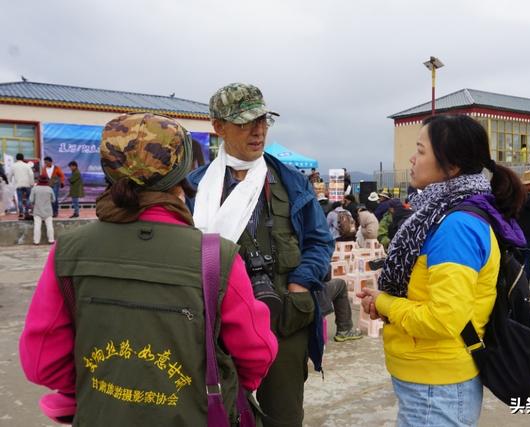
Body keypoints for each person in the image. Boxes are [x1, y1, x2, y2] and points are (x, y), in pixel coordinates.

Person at [19, 113, 277, 426]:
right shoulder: (215, 257)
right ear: (182, 176)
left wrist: (107, 387)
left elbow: (41, 363)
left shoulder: (69, 250)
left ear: (108, 170)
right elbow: (257, 354)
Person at [358, 114, 526, 426]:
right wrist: (387, 303)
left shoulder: (455, 226)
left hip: (438, 387)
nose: (412, 158)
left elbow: (444, 319)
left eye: (421, 151)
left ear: (452, 166)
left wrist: (384, 302)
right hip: (428, 381)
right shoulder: (437, 215)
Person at [188, 83, 333, 427]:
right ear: (218, 127)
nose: (258, 130)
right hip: (218, 322)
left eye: (264, 120)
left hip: (282, 320)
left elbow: (319, 242)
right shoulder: (195, 187)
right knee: (219, 410)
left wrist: (299, 284)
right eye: (245, 122)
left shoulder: (291, 182)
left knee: (282, 416)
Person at [29, 175, 56, 245]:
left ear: (38, 180)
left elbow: (31, 200)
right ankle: (51, 240)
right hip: (48, 210)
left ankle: (36, 241)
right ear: (47, 181)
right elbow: (54, 200)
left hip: (37, 210)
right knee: (50, 226)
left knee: (37, 226)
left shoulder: (34, 189)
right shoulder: (50, 189)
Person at [9, 152, 34, 218]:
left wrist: (10, 182)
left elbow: (9, 175)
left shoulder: (13, 166)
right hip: (27, 184)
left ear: (16, 158)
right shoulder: (27, 165)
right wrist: (32, 183)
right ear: (23, 158)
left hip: (18, 185)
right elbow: (31, 174)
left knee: (20, 199)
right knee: (28, 199)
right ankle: (26, 212)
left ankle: (21, 212)